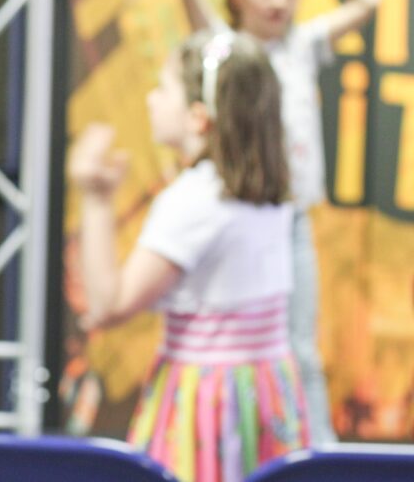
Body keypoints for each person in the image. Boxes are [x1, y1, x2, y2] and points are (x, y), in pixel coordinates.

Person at [70, 31, 306, 482]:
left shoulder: (194, 202)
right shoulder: (268, 190)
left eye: (164, 88)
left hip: (209, 401)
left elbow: (108, 305)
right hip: (266, 390)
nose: (152, 99)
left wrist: (95, 199)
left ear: (199, 117)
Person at [179, 0, 382, 445]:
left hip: (289, 218)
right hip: (238, 220)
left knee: (302, 346)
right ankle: (246, 444)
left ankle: (316, 455)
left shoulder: (302, 45)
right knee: (238, 345)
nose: (279, 1)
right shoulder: (224, 46)